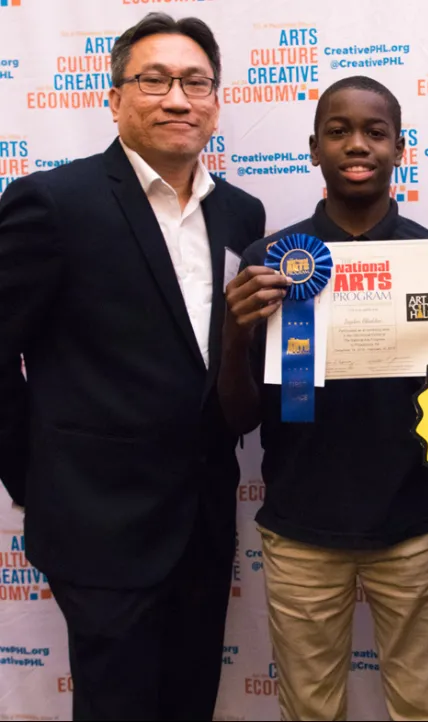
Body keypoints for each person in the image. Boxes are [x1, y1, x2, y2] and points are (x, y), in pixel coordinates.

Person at [0, 13, 264, 721]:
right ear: (114, 98)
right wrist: (36, 478)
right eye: (154, 80)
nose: (177, 99)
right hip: (97, 527)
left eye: (196, 82)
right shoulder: (53, 203)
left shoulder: (242, 214)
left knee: (189, 703)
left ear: (215, 102)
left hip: (205, 522)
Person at [218, 76, 428, 722]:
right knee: (309, 711)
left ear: (399, 148)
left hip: (414, 525)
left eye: (375, 132)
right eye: (339, 130)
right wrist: (234, 330)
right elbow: (236, 416)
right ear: (313, 148)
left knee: (422, 708)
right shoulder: (270, 261)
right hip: (302, 527)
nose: (358, 145)